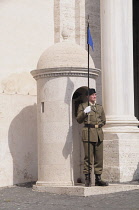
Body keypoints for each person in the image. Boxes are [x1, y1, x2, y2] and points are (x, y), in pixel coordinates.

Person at [76, 88, 108, 187]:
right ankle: (87, 178)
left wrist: (99, 125)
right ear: (88, 96)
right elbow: (79, 120)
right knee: (88, 158)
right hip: (88, 133)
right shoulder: (83, 106)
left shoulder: (99, 107)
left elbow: (103, 120)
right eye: (92, 95)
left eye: (95, 94)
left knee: (99, 158)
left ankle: (98, 178)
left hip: (98, 134)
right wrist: (85, 112)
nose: (94, 96)